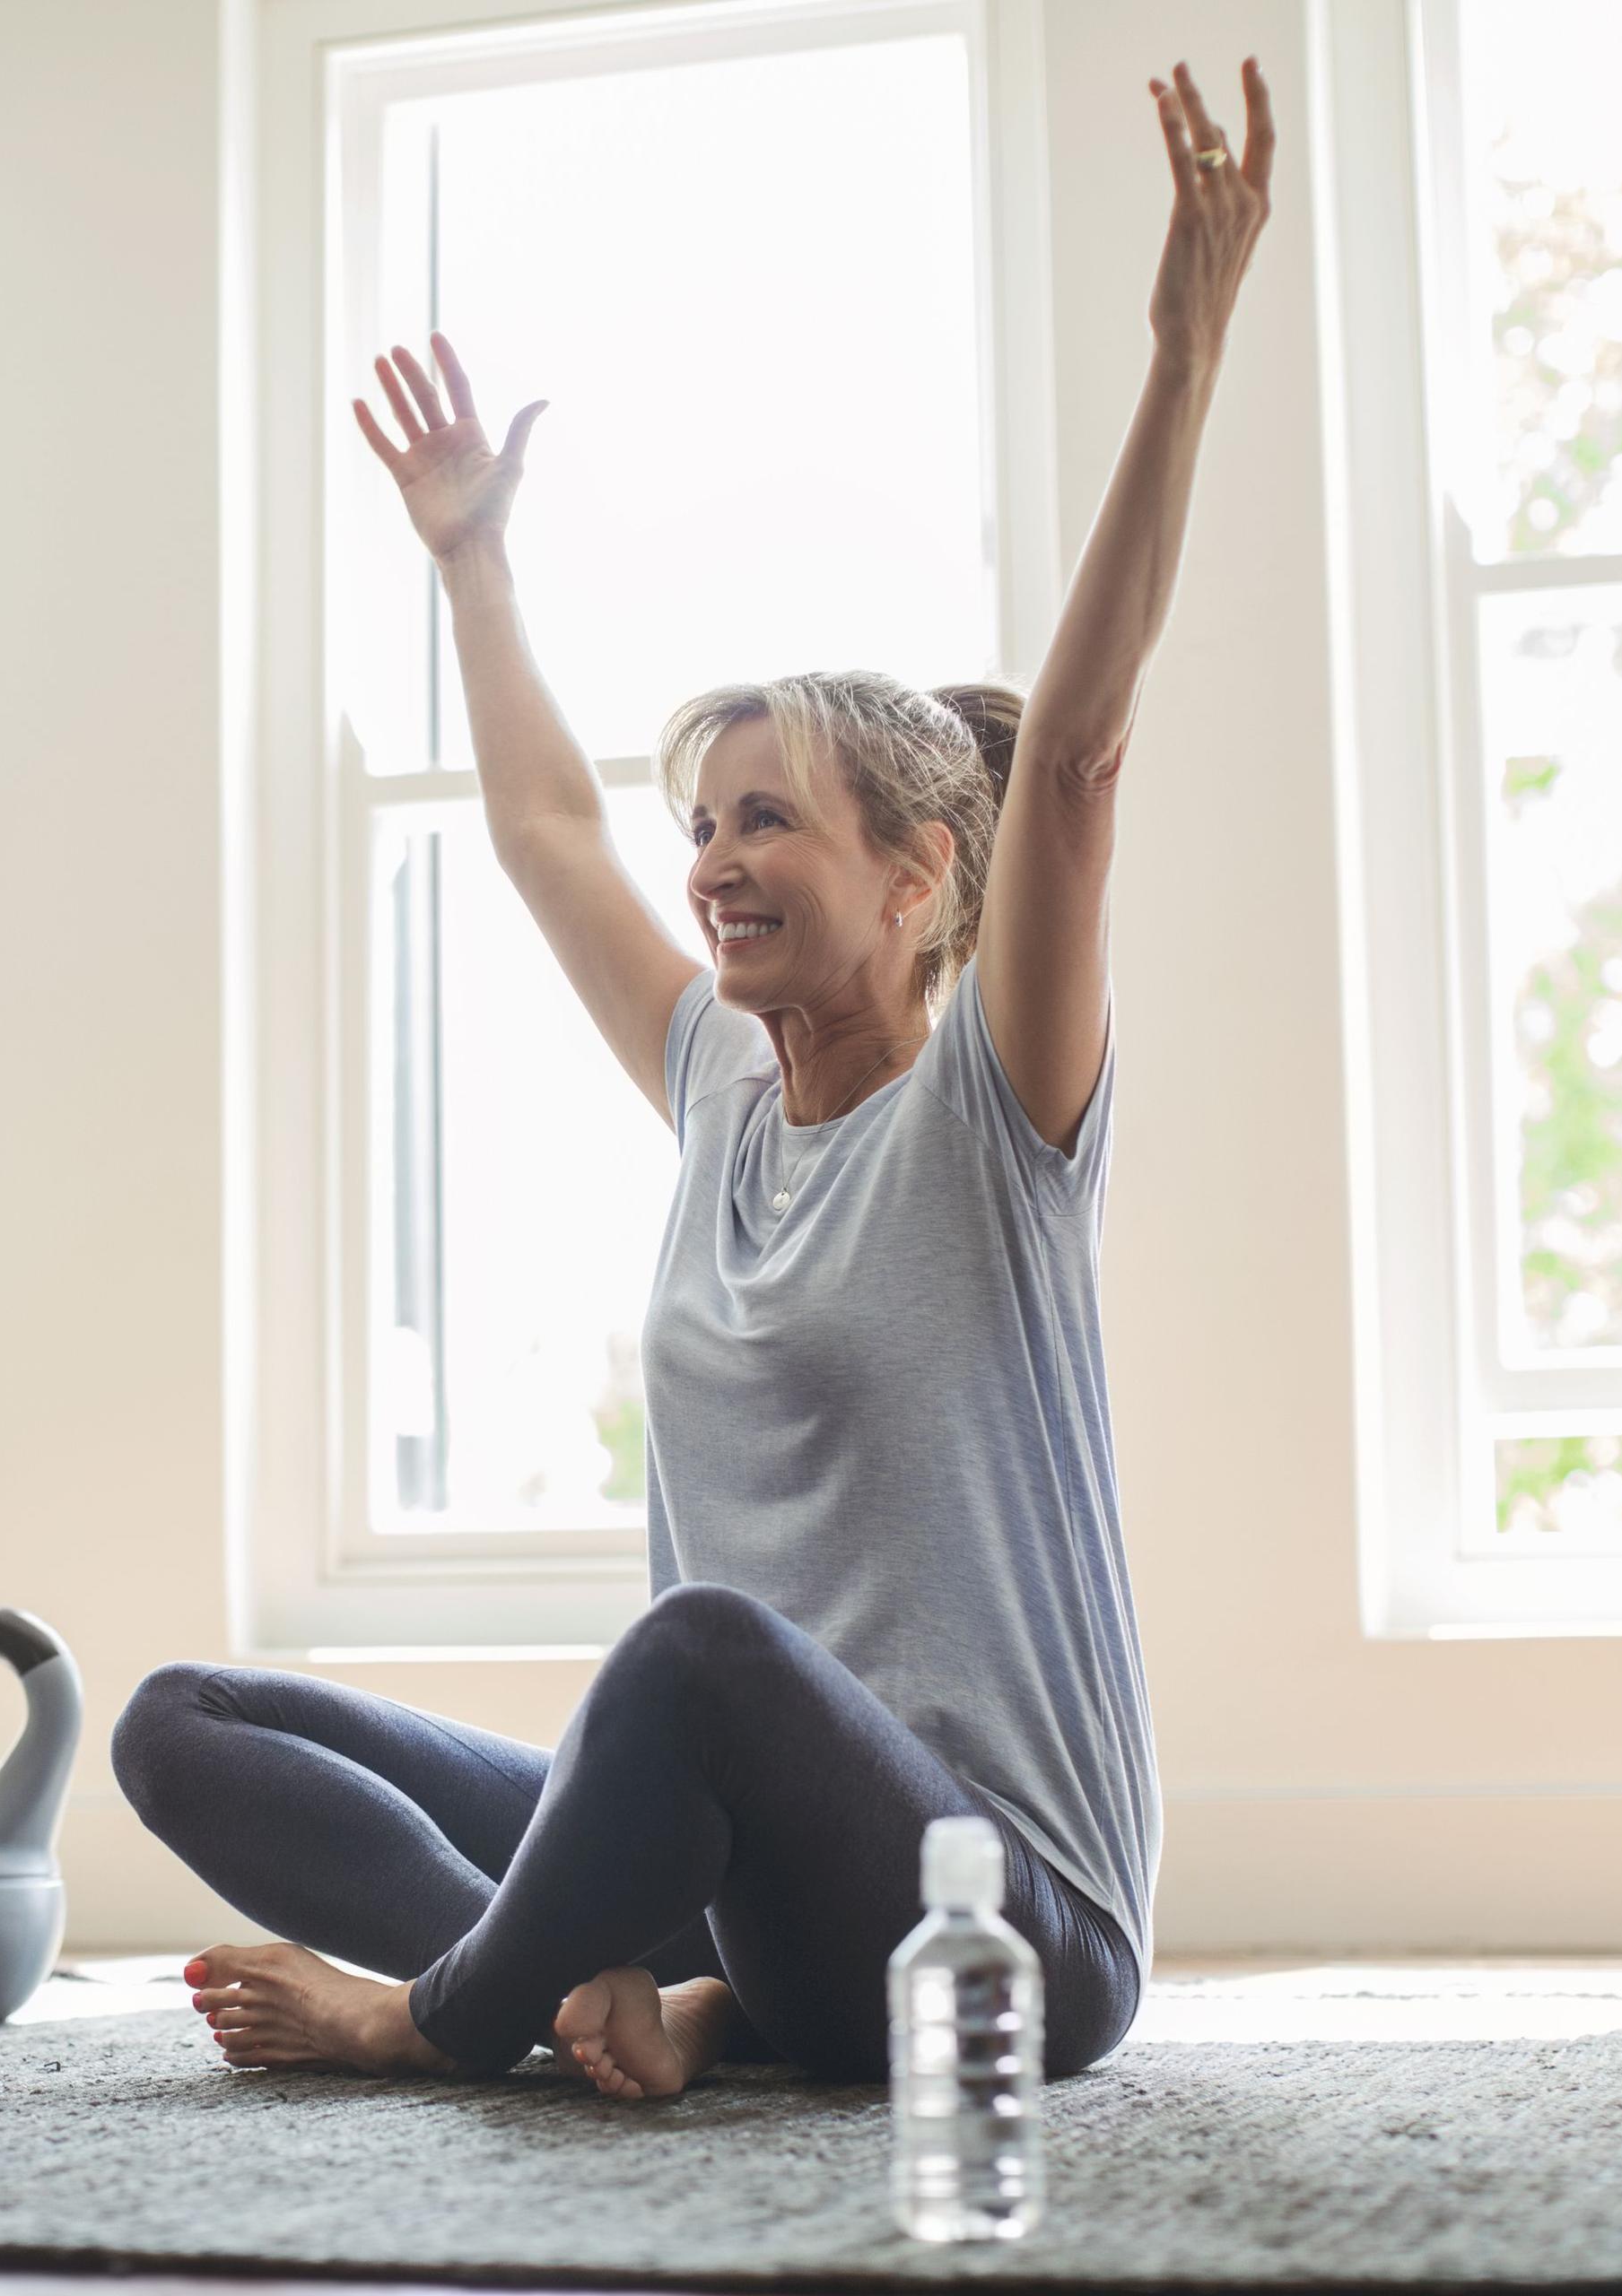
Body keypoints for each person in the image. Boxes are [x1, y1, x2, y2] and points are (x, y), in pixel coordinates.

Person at [113, 55, 1277, 2100]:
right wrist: (475, 559)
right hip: (769, 1870)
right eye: (712, 824)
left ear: (923, 882)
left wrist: (1181, 355)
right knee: (185, 1721)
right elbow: (554, 828)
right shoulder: (722, 1087)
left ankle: (451, 2017)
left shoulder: (994, 1115)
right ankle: (644, 1996)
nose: (716, 861)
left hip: (1014, 1936)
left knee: (696, 1651)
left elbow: (1080, 748)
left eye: (774, 824)